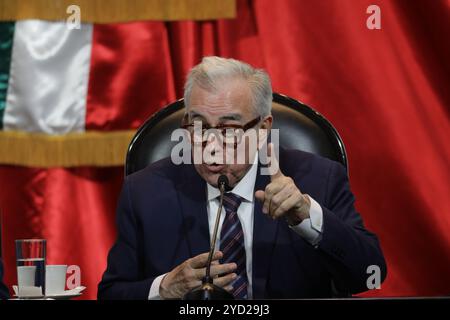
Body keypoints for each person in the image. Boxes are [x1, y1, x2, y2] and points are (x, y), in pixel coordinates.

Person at [98, 56, 386, 299]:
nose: (211, 147)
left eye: (230, 131)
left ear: (263, 128)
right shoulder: (145, 191)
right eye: (198, 127)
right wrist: (165, 287)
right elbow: (111, 292)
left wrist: (307, 216)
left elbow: (369, 275)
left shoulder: (318, 179)